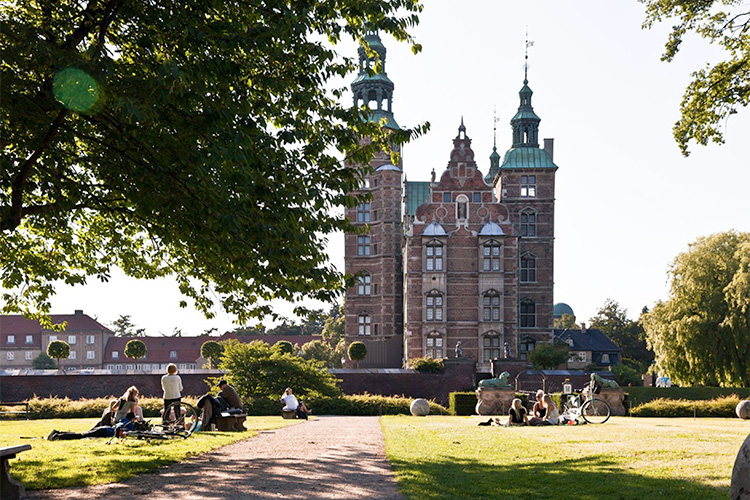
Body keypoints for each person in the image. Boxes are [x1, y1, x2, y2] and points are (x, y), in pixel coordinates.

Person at [49, 412, 136, 441]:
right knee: (81, 436)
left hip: (104, 428)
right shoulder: (129, 424)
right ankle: (58, 436)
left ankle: (58, 432)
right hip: (105, 432)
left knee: (82, 434)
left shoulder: (123, 420)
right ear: (132, 418)